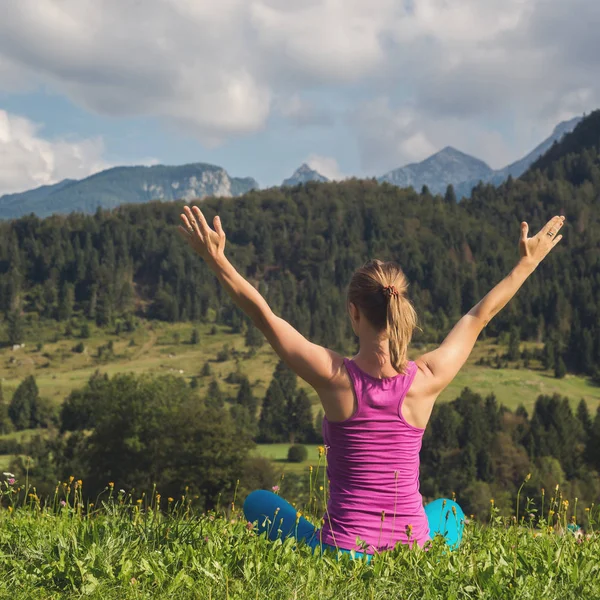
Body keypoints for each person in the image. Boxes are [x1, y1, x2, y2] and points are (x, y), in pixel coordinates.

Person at [178, 205, 565, 558]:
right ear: (400, 307)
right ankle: (425, 550)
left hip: (343, 552)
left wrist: (217, 260)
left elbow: (264, 317)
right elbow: (479, 317)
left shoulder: (334, 377)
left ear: (353, 312)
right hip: (409, 551)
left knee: (258, 502)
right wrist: (525, 265)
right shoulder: (427, 379)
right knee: (448, 510)